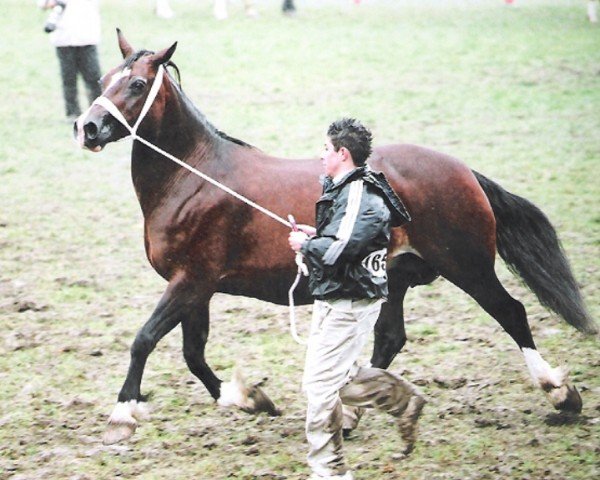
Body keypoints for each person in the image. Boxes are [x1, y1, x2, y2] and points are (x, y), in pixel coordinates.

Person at [288, 118, 426, 480]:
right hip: (340, 297)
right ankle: (404, 400)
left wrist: (308, 245)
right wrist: (315, 234)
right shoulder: (348, 190)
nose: (321, 154)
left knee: (320, 388)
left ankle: (330, 473)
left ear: (342, 153)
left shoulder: (360, 195)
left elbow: (340, 249)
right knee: (341, 379)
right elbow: (343, 237)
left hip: (349, 303)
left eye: (326, 148)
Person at [38, 0, 102, 121]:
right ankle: (73, 113)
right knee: (69, 78)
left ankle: (98, 111)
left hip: (87, 36)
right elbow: (43, 4)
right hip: (64, 38)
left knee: (94, 78)